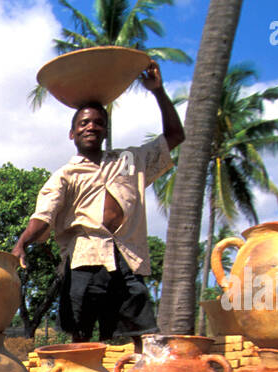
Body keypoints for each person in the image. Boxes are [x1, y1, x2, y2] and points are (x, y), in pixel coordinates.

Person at [12, 62, 184, 344]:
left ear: (105, 131)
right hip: (85, 261)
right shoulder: (65, 175)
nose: (91, 126)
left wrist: (158, 92)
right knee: (81, 335)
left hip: (128, 258)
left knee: (143, 336)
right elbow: (43, 215)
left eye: (98, 123)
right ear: (73, 133)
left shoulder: (130, 161)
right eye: (84, 123)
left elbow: (175, 136)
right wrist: (22, 243)